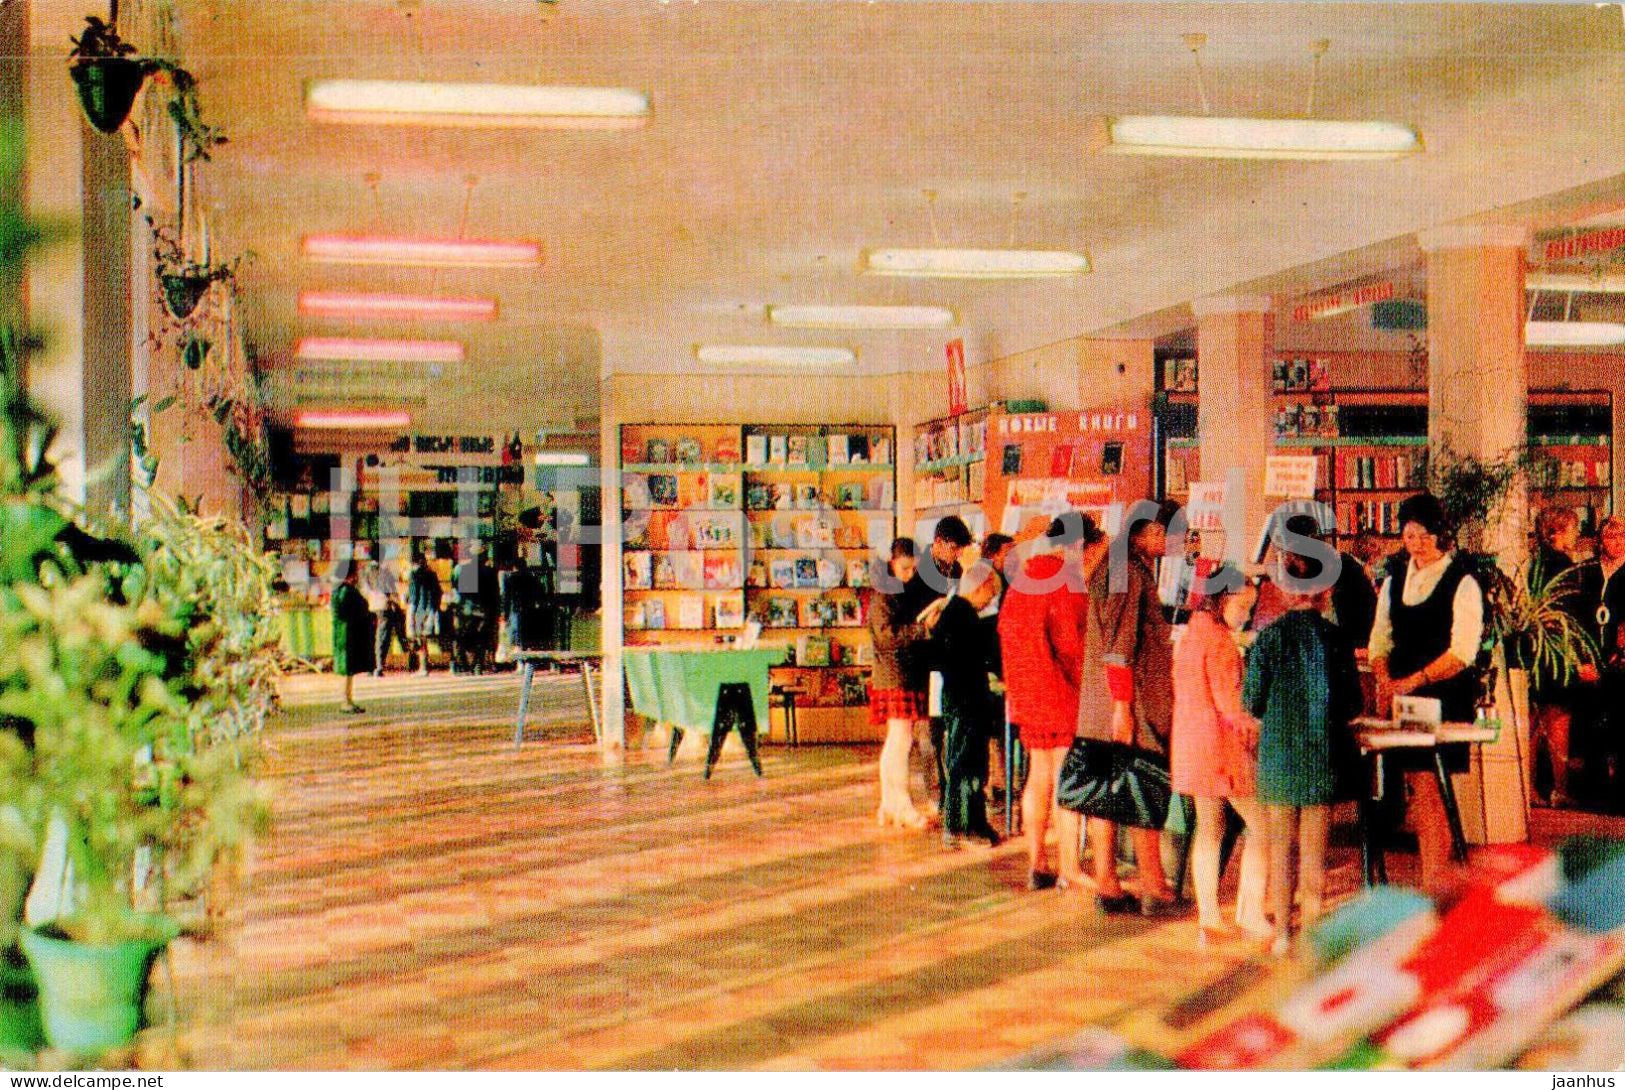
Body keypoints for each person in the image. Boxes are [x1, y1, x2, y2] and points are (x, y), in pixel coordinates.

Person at [1245, 552, 1363, 955]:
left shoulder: (1267, 638)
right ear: (1326, 591)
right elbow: (1352, 704)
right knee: (1314, 852)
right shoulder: (1337, 640)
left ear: (1285, 590)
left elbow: (1253, 702)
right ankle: (1312, 934)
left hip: (1278, 756)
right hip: (1321, 756)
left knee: (1281, 849)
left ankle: (1281, 934)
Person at [1367, 491, 1485, 888]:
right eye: (1409, 535)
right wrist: (1385, 679)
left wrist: (1415, 681)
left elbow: (1462, 652)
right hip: (1403, 698)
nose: (1416, 543)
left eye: (1423, 535)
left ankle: (1434, 882)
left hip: (1443, 695)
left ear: (1440, 535)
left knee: (1433, 790)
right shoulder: (1394, 579)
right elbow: (1380, 640)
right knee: (1421, 790)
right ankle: (1433, 879)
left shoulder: (1462, 581)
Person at [1077, 500, 1181, 917]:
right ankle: (1153, 882)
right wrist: (1123, 706)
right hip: (1128, 702)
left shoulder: (1117, 566)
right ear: (1150, 532)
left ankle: (1108, 881)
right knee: (1143, 787)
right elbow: (1119, 646)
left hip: (1107, 703)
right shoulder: (1128, 573)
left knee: (1110, 791)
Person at [1000, 513, 1102, 891]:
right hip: (1060, 694)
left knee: (1037, 777)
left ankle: (1037, 862)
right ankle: (1070, 867)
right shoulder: (1066, 583)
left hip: (1026, 696)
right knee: (1067, 781)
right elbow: (1075, 647)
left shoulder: (1020, 581)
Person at [1171, 567, 1270, 947]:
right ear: (1223, 599)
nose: (1246, 614)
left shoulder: (1192, 634)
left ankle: (1209, 916)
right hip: (1221, 751)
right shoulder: (1222, 645)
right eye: (1243, 606)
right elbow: (1232, 710)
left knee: (1208, 828)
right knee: (1262, 826)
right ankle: (1250, 911)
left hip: (1192, 746)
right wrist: (1260, 729)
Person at [868, 538, 947, 829]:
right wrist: (921, 629)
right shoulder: (884, 594)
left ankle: (891, 803)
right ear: (892, 562)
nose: (909, 574)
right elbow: (887, 635)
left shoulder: (891, 590)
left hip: (900, 673)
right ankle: (900, 805)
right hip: (896, 673)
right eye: (904, 568)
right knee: (900, 741)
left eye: (913, 569)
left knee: (897, 740)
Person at [902, 516, 974, 814]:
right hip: (923, 658)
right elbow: (912, 616)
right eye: (954, 548)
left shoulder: (954, 570)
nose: (957, 555)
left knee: (944, 726)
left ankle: (948, 790)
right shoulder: (919, 573)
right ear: (940, 542)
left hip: (947, 657)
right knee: (928, 732)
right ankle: (935, 793)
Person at [933, 562, 1004, 848]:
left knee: (967, 764)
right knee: (967, 765)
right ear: (982, 585)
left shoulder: (955, 614)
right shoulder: (963, 618)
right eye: (991, 593)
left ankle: (966, 824)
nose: (990, 600)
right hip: (966, 702)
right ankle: (964, 826)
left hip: (959, 700)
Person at [1528, 506, 1589, 807]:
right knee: (1559, 721)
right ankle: (1560, 790)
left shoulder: (1536, 563)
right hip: (1559, 652)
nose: (1576, 535)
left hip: (1537, 650)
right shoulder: (1564, 566)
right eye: (1572, 529)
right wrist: (1579, 659)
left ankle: (1529, 789)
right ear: (1557, 532)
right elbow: (1569, 616)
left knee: (1535, 724)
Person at [1574, 516, 1625, 809]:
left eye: (1621, 537)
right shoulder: (1589, 572)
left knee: (1619, 726)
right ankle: (1592, 793)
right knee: (1591, 727)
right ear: (1600, 540)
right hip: (1589, 657)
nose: (1616, 543)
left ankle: (1619, 795)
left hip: (1618, 663)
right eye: (1610, 537)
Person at [1281, 513, 1378, 649]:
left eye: (1288, 551)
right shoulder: (1334, 562)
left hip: (1349, 645)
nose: (1286, 557)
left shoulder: (1340, 568)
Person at [331, 562, 374, 714]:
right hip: (348, 635)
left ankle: (348, 699)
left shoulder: (337, 590)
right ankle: (346, 701)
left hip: (343, 635)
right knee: (347, 670)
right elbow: (360, 609)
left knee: (347, 670)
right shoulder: (347, 591)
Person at [452, 543, 500, 676]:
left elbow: (460, 591)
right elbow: (495, 593)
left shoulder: (464, 569)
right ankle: (478, 665)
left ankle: (465, 666)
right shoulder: (490, 572)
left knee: (464, 639)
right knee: (482, 639)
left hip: (467, 610)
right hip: (485, 611)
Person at [367, 557, 408, 677]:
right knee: (383, 638)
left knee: (372, 638)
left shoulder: (366, 571)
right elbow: (391, 591)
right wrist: (396, 602)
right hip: (384, 606)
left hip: (371, 606)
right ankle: (379, 666)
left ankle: (370, 666)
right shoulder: (384, 572)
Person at [406, 551, 444, 676]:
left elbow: (413, 596)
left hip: (419, 610)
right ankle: (424, 667)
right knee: (424, 639)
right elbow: (439, 592)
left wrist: (409, 611)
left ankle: (423, 668)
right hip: (431, 609)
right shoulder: (432, 574)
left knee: (419, 639)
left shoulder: (414, 575)